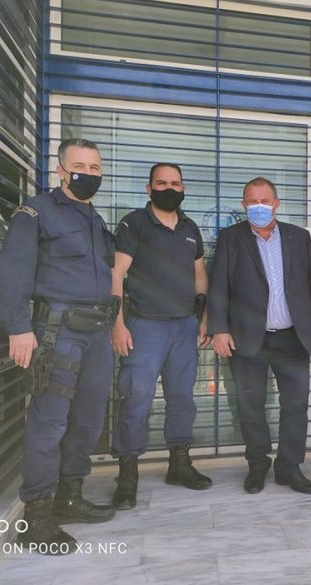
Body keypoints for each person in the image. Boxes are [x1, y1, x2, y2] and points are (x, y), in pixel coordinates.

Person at [0, 138, 117, 554]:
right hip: (57, 333)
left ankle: (69, 497)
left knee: (89, 419)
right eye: (80, 166)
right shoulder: (37, 211)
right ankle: (37, 517)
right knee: (49, 422)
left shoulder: (94, 218)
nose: (88, 174)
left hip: (96, 333)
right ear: (60, 170)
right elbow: (12, 271)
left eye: (95, 168)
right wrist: (18, 327)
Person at [208, 177, 311, 495]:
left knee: (295, 406)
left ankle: (289, 468)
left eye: (264, 200)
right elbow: (218, 287)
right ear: (244, 205)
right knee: (250, 407)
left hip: (292, 338)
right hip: (247, 339)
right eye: (252, 201)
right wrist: (219, 329)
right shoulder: (231, 238)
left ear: (276, 203)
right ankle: (257, 465)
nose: (258, 206)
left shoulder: (298, 237)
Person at [110, 163, 213, 511]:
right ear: (149, 188)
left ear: (183, 188)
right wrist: (117, 324)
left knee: (182, 398)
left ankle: (179, 465)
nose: (169, 188)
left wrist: (203, 317)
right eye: (162, 183)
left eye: (175, 183)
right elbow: (116, 273)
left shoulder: (190, 228)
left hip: (183, 326)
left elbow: (200, 275)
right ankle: (127, 475)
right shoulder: (134, 224)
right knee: (136, 398)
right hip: (144, 325)